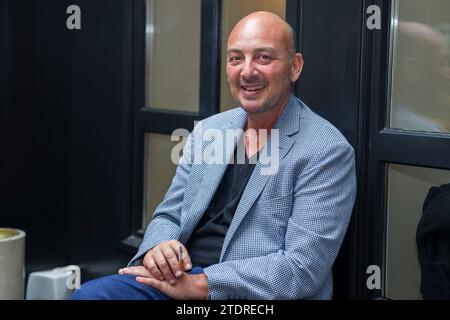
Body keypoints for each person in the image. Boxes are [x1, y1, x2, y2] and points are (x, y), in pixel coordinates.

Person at [71, 11, 356, 300]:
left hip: (247, 296)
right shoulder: (210, 130)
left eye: (263, 58)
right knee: (91, 297)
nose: (247, 71)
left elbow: (302, 269)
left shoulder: (326, 151)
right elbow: (169, 214)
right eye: (236, 58)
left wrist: (202, 285)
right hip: (179, 279)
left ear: (295, 67)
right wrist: (159, 248)